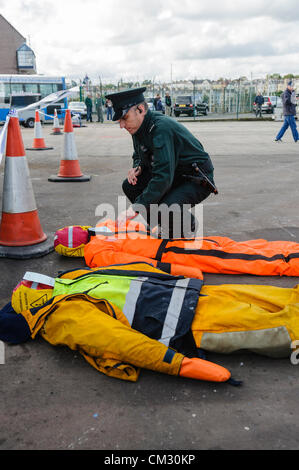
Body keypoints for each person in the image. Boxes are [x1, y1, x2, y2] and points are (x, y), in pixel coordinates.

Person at [104, 87, 217, 237]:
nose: (122, 125)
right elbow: (138, 153)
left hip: (195, 178)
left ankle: (185, 226)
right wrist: (137, 166)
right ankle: (160, 225)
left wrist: (135, 208)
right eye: (120, 120)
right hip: (174, 173)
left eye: (125, 118)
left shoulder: (160, 128)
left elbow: (163, 177)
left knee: (167, 207)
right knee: (130, 186)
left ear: (141, 109)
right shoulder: (138, 127)